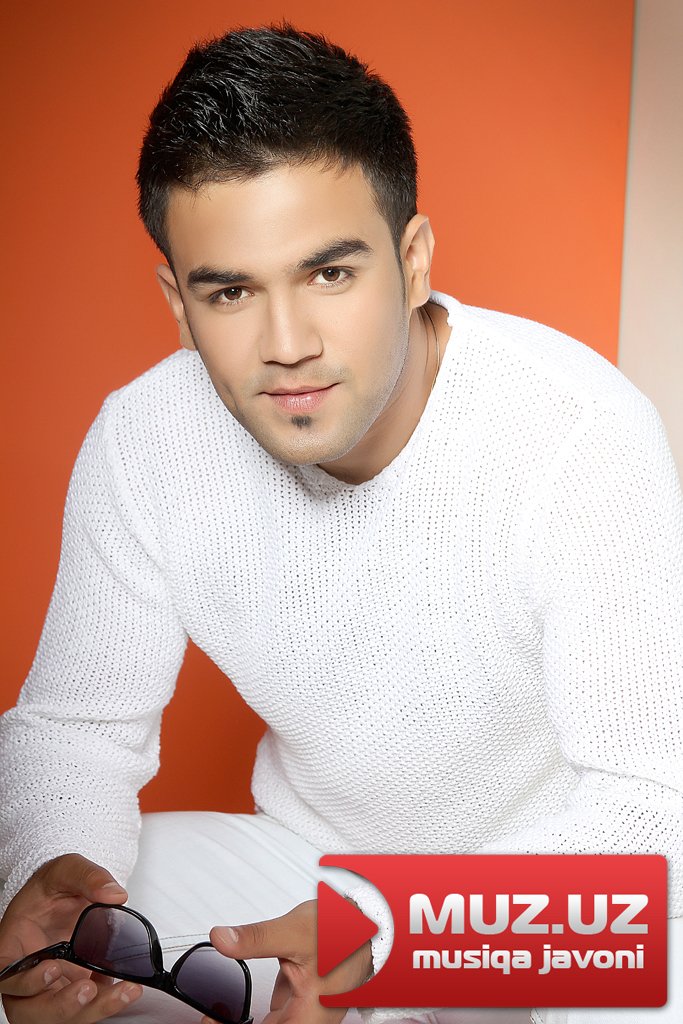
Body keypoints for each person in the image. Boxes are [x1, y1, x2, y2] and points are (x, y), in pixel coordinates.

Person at [0, 20, 681, 1024]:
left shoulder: (575, 433)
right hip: (307, 869)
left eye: (329, 273)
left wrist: (394, 934)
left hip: (541, 899)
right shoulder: (145, 441)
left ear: (413, 260)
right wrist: (56, 878)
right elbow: (77, 730)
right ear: (178, 302)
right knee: (44, 927)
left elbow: (651, 809)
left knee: (655, 963)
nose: (286, 344)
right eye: (230, 291)